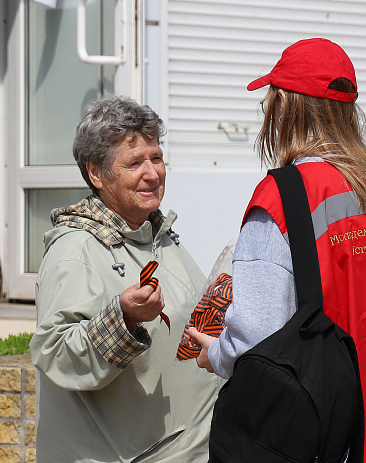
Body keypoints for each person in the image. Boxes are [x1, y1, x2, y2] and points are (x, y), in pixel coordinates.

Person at [189, 38, 366, 462]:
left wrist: (215, 354)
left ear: (285, 105)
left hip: (333, 433)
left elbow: (255, 336)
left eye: (268, 103)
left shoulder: (282, 196)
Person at [30, 95, 222, 463]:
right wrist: (123, 319)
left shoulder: (159, 235)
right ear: (96, 174)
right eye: (135, 162)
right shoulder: (75, 250)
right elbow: (55, 353)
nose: (152, 173)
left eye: (157, 158)